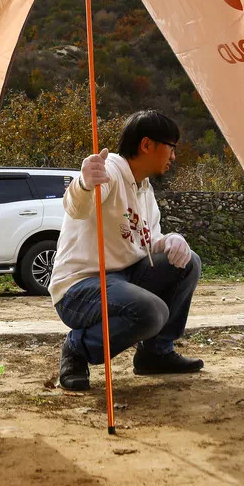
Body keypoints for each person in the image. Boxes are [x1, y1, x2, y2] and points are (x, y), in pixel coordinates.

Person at [49, 110, 203, 391]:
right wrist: (83, 184)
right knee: (152, 312)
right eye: (172, 147)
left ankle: (155, 353)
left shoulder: (144, 188)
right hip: (80, 289)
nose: (174, 156)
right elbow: (78, 208)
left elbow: (149, 241)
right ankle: (77, 348)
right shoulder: (110, 171)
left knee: (187, 262)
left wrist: (171, 239)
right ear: (147, 145)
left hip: (122, 280)